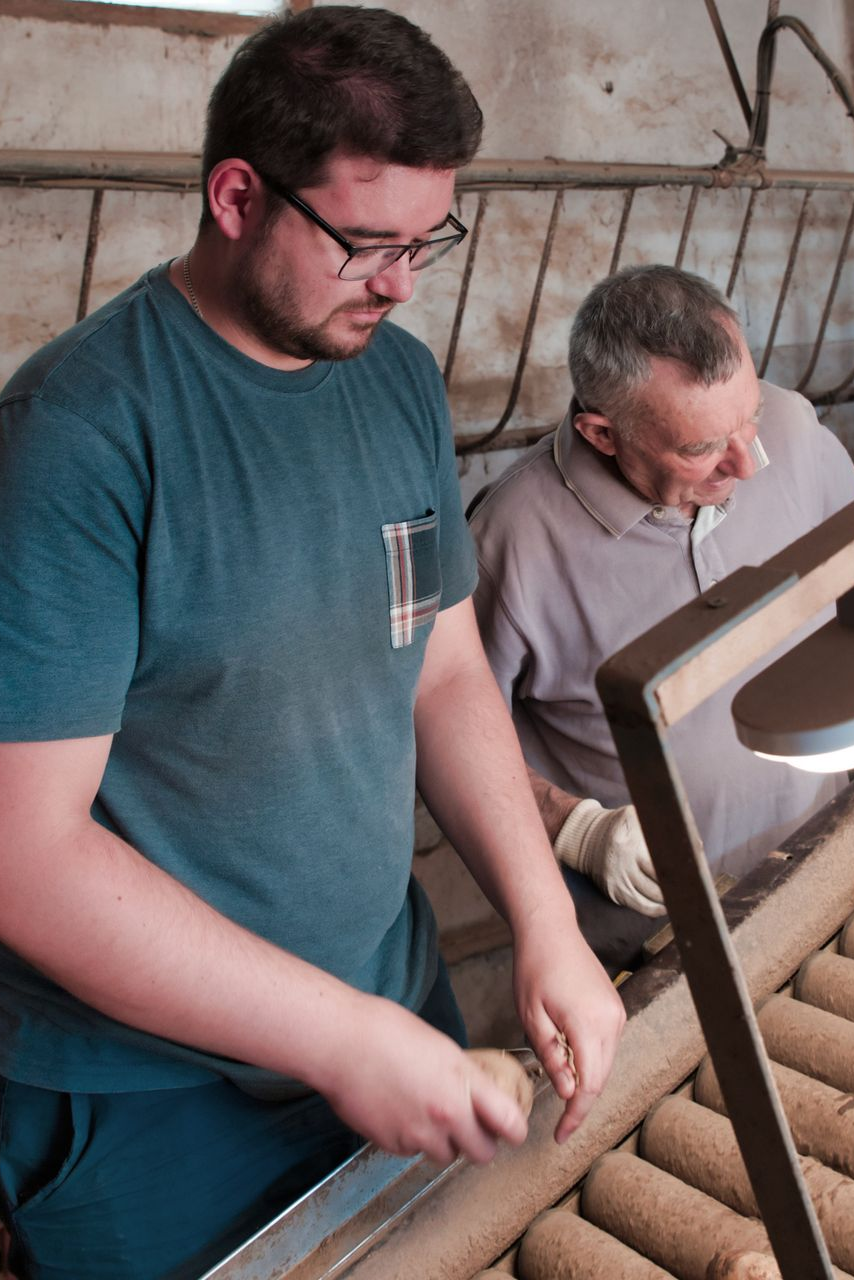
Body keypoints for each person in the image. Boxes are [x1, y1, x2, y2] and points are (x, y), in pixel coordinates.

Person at [0, 9, 624, 1278]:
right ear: (237, 195)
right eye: (365, 243)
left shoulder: (394, 377)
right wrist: (336, 1037)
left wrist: (543, 912)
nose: (398, 281)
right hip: (150, 1094)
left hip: (387, 999)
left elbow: (440, 666)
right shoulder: (77, 437)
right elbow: (27, 856)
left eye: (426, 242)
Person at [470, 264, 854, 968]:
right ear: (602, 434)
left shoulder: (791, 430)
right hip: (660, 942)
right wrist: (573, 829)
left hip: (831, 863)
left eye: (748, 419)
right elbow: (446, 736)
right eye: (701, 447)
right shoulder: (511, 543)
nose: (747, 464)